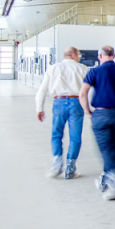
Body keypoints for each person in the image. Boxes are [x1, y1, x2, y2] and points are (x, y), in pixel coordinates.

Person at [79, 45, 115, 201]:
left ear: (100, 56)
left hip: (100, 113)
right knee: (113, 148)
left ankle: (113, 181)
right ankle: (106, 180)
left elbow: (83, 93)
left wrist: (87, 111)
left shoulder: (94, 72)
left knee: (104, 149)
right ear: (114, 55)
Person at [34, 46, 89, 179]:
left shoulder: (53, 68)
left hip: (58, 103)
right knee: (75, 137)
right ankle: (70, 168)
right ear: (74, 55)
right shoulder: (82, 68)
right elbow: (90, 90)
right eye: (79, 55)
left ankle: (56, 164)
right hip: (76, 103)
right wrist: (89, 108)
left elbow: (42, 90)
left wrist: (39, 108)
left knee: (56, 135)